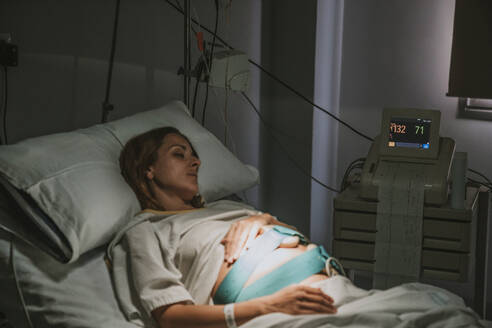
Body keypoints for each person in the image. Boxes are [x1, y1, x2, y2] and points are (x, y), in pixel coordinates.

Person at [119, 126, 337, 328]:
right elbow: (169, 316)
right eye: (179, 154)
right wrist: (268, 306)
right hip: (275, 307)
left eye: (194, 155)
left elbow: (293, 234)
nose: (196, 162)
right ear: (149, 169)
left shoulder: (225, 206)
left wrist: (264, 220)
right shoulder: (146, 228)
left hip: (330, 281)